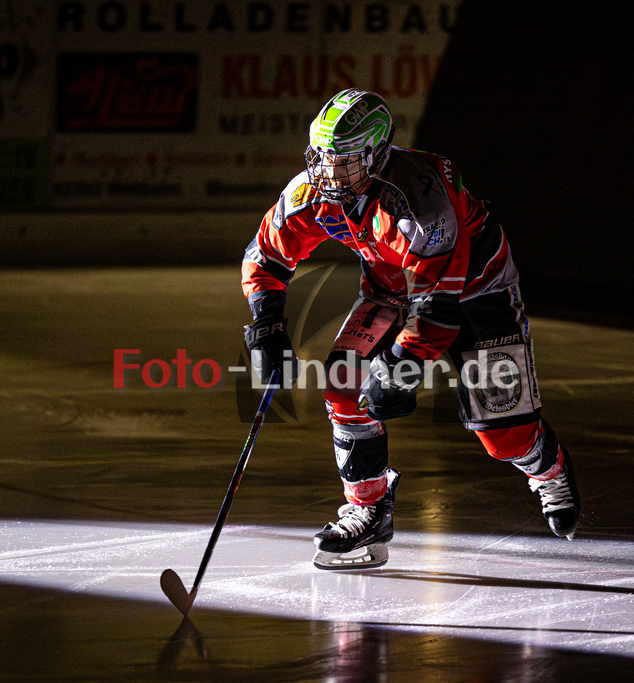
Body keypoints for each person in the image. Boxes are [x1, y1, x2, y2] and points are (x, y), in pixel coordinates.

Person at [241, 89, 581, 570]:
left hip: (478, 295)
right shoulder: (311, 193)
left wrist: (401, 369)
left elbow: (438, 306)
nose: (330, 175)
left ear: (377, 154)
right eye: (322, 158)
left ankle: (547, 469)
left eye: (346, 163)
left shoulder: (421, 199)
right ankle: (368, 508)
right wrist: (267, 324)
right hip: (392, 292)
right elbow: (266, 255)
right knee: (344, 383)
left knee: (502, 433)